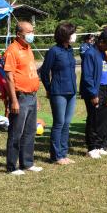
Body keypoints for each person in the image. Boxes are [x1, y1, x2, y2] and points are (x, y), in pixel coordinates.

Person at [3, 21, 43, 174]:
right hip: (20, 97)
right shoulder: (12, 50)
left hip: (31, 95)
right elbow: (9, 77)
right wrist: (13, 100)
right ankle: (12, 165)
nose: (32, 34)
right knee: (16, 132)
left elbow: (30, 73)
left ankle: (27, 162)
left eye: (32, 31)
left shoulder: (28, 48)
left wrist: (36, 96)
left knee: (30, 131)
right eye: (29, 32)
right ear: (19, 34)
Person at [40, 22, 77, 165]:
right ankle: (56, 156)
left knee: (67, 123)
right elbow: (44, 72)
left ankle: (63, 153)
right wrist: (50, 89)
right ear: (64, 35)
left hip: (72, 92)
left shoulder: (70, 50)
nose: (74, 35)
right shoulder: (53, 51)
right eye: (72, 32)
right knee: (59, 123)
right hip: (58, 92)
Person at [80, 29, 107, 159]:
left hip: (105, 89)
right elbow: (87, 77)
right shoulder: (90, 53)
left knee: (103, 119)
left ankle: (100, 145)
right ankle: (92, 147)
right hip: (94, 90)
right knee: (94, 119)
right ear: (101, 41)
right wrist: (93, 94)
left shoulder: (103, 53)